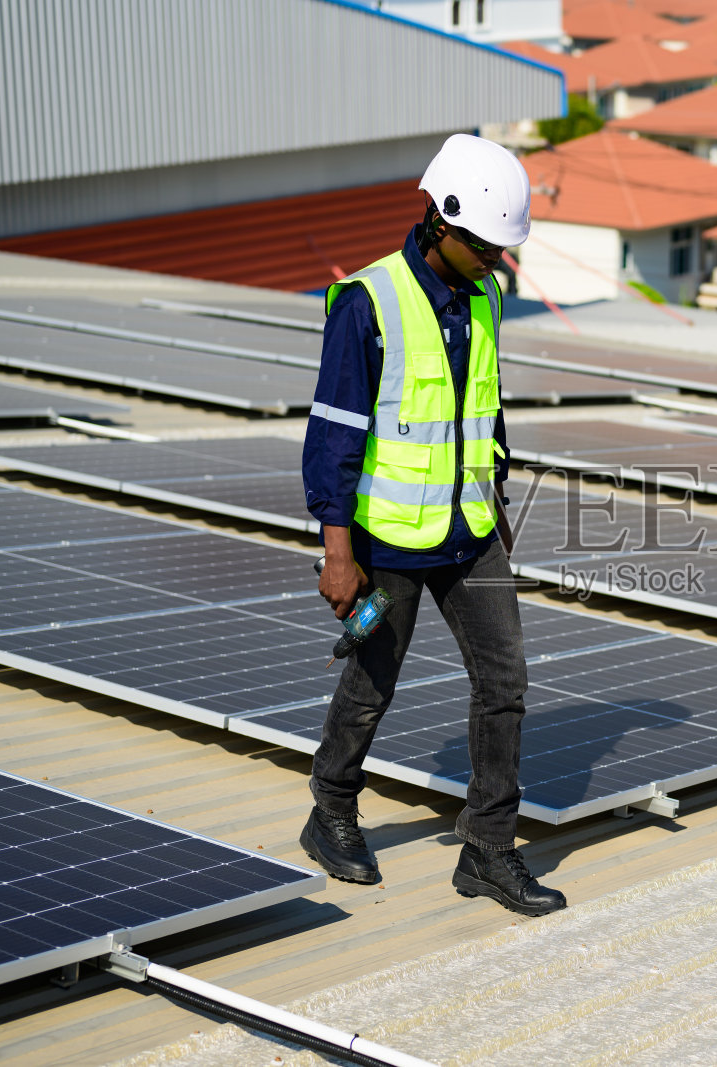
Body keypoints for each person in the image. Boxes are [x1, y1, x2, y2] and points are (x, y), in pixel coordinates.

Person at [298, 133, 565, 918]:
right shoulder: (367, 303)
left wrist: (498, 489)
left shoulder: (481, 296)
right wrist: (336, 551)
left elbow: (483, 404)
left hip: (470, 530)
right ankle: (332, 806)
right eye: (486, 247)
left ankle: (486, 849)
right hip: (389, 540)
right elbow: (334, 435)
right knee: (373, 678)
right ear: (442, 223)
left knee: (505, 680)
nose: (496, 263)